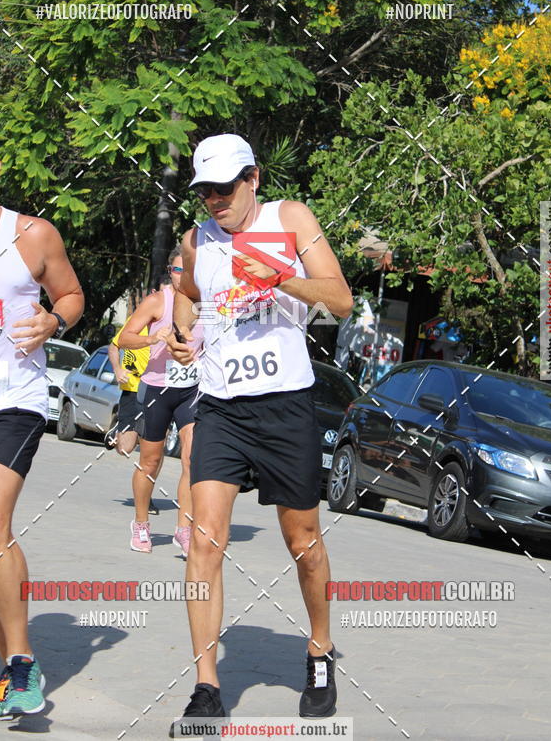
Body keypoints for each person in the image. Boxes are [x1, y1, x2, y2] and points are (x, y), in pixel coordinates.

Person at [165, 134, 354, 735]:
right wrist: (179, 332)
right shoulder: (197, 240)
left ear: (253, 178)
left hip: (285, 407)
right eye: (205, 191)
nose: (215, 200)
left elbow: (342, 300)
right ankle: (206, 687)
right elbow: (187, 297)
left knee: (303, 541)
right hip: (220, 406)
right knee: (204, 540)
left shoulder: (289, 219)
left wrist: (280, 279)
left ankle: (320, 652)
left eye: (225, 187)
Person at [0, 126, 84, 720]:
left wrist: (52, 322)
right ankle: (13, 663)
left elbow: (71, 295)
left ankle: (21, 664)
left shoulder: (31, 234)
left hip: (10, 399)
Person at [118, 247, 203, 556]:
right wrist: (153, 338)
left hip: (193, 389)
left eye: (188, 272)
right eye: (178, 271)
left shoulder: (204, 303)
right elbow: (125, 337)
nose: (183, 278)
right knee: (151, 461)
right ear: (170, 272)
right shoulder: (158, 301)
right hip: (158, 389)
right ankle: (141, 524)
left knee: (193, 459)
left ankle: (184, 528)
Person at [106, 312, 161, 516]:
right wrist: (117, 369)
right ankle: (118, 432)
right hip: (132, 388)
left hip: (156, 390)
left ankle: (146, 497)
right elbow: (114, 347)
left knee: (155, 448)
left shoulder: (170, 326)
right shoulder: (136, 323)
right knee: (125, 448)